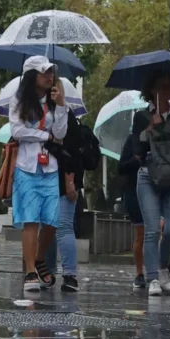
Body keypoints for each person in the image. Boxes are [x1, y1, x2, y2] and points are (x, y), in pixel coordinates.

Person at [10, 56, 69, 293]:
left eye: (51, 72)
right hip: (27, 167)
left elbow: (61, 134)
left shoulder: (55, 101)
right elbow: (17, 131)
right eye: (44, 72)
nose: (49, 76)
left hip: (50, 167)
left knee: (52, 221)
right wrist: (44, 136)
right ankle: (30, 270)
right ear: (32, 75)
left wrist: (62, 105)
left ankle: (38, 257)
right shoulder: (19, 100)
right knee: (31, 220)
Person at [133, 71, 170, 298]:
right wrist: (149, 130)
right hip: (149, 176)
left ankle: (163, 266)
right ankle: (153, 278)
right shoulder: (140, 117)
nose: (165, 93)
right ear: (151, 92)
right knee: (151, 230)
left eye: (169, 88)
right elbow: (137, 152)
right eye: (160, 88)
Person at [44, 113, 102, 292]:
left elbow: (72, 155)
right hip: (44, 177)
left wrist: (70, 182)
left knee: (62, 226)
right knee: (47, 227)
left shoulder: (65, 118)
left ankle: (68, 274)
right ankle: (49, 271)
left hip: (64, 179)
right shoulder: (40, 114)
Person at [117, 130, 147, 290]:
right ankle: (139, 273)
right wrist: (136, 160)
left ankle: (157, 271)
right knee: (140, 234)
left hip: (156, 187)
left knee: (157, 233)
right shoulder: (133, 140)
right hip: (134, 191)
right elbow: (121, 167)